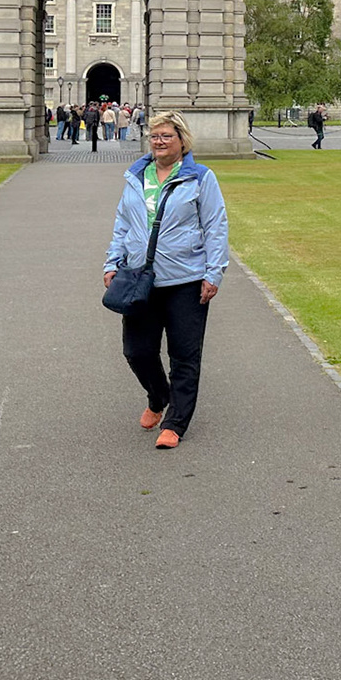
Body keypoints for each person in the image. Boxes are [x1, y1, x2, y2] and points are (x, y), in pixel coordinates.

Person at [103, 111, 229, 449]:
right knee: (137, 351)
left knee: (184, 355)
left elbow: (216, 226)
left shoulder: (200, 178)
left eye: (166, 136)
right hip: (139, 278)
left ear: (182, 141)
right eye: (155, 136)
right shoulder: (136, 176)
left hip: (186, 279)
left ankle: (175, 423)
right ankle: (159, 397)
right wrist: (112, 262)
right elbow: (123, 224)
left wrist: (213, 272)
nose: (159, 142)